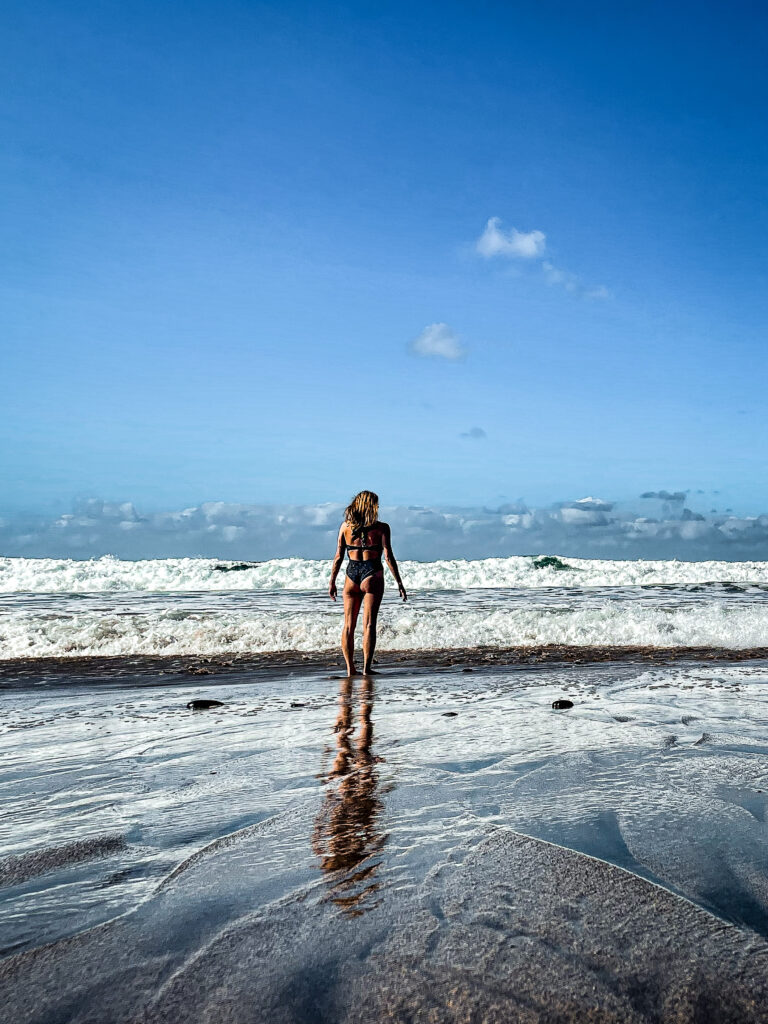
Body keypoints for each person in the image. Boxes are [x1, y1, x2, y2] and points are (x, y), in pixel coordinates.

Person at [328, 490, 407, 676]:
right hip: (372, 573)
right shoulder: (382, 528)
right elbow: (388, 556)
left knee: (348, 625)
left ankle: (350, 669)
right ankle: (366, 668)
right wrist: (399, 582)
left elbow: (339, 556)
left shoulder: (345, 527)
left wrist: (332, 581)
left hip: (351, 575)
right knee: (369, 625)